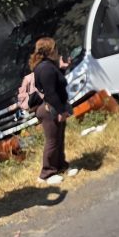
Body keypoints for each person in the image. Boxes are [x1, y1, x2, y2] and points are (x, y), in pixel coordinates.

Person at [30, 37, 78, 185]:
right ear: (51, 51)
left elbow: (57, 84)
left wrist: (62, 68)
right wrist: (61, 111)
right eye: (56, 49)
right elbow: (50, 93)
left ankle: (61, 166)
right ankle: (46, 174)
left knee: (58, 139)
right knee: (52, 141)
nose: (58, 51)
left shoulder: (49, 66)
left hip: (53, 107)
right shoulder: (45, 68)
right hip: (49, 109)